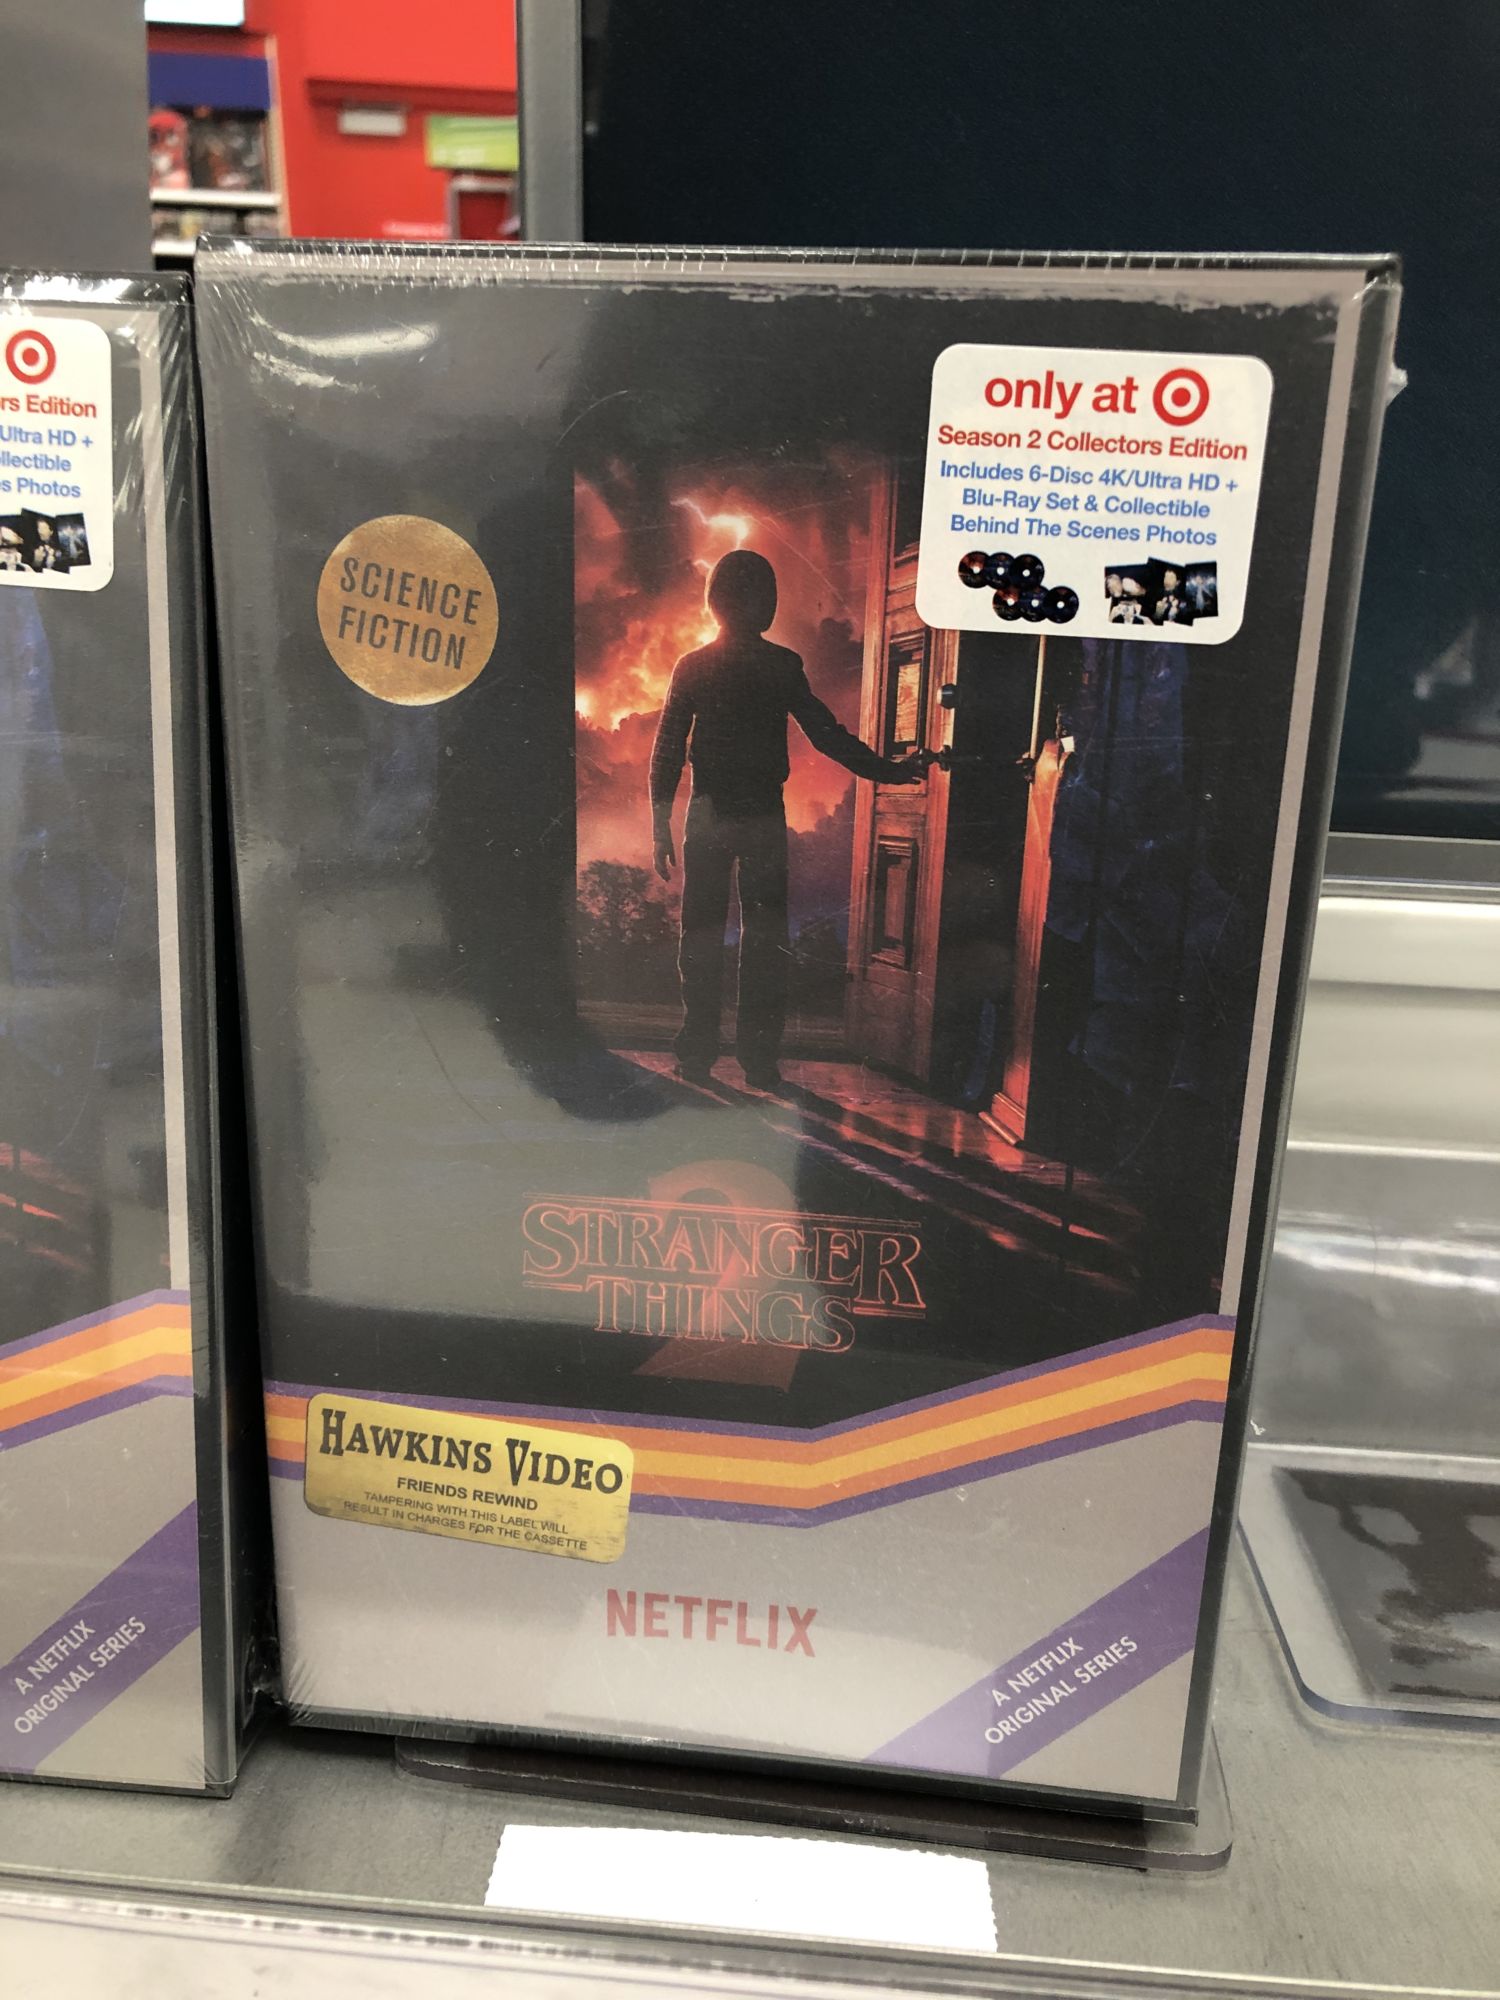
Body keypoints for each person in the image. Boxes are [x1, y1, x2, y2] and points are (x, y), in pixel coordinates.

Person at [650, 548, 924, 1091]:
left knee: (699, 938)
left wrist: (660, 824)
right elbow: (825, 734)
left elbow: (667, 750)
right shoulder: (781, 665)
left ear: (714, 602)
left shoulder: (693, 665)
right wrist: (888, 770)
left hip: (707, 813)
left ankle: (697, 1053)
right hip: (761, 815)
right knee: (765, 940)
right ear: (761, 602)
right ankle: (758, 1060)